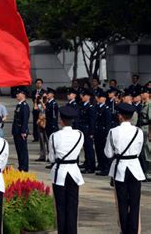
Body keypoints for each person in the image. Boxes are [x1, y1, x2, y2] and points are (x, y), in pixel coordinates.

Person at [105, 103, 145, 234]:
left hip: (120, 168)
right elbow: (138, 151)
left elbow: (108, 153)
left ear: (120, 116)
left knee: (121, 204)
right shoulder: (138, 131)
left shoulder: (113, 131)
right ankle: (134, 230)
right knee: (134, 203)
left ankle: (124, 230)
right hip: (134, 168)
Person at [49, 105, 84, 234]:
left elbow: (52, 157)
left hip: (60, 172)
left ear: (61, 120)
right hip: (74, 172)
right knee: (72, 207)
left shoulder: (54, 136)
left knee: (60, 207)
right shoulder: (80, 134)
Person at [77, 89, 96, 174]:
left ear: (88, 97)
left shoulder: (90, 107)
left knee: (89, 149)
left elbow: (92, 121)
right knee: (85, 148)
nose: (82, 97)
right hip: (83, 129)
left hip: (88, 130)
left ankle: (91, 167)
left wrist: (91, 132)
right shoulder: (82, 105)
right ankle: (87, 164)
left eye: (83, 95)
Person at [94, 90, 112, 176]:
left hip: (103, 132)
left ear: (104, 98)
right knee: (99, 149)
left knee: (104, 150)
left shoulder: (106, 109)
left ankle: (106, 168)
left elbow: (108, 123)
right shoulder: (97, 107)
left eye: (100, 97)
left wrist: (107, 134)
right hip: (98, 131)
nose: (98, 99)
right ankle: (101, 165)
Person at [12, 87, 29, 172]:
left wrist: (23, 131)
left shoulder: (24, 106)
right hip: (16, 131)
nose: (17, 95)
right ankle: (21, 166)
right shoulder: (19, 105)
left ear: (23, 94)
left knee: (23, 150)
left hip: (21, 131)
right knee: (19, 149)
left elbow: (25, 120)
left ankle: (24, 167)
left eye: (18, 94)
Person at [140, 87, 151, 180]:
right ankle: (146, 172)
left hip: (148, 129)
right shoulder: (144, 104)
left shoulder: (150, 104)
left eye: (144, 93)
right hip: (143, 128)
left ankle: (149, 173)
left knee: (148, 152)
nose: (142, 94)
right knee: (144, 152)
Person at [34, 93, 48, 162]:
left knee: (47, 141)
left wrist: (42, 101)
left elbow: (45, 108)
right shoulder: (40, 104)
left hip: (45, 123)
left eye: (44, 97)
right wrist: (36, 100)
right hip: (40, 123)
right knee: (41, 140)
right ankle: (42, 156)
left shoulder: (48, 103)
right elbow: (35, 108)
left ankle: (49, 156)